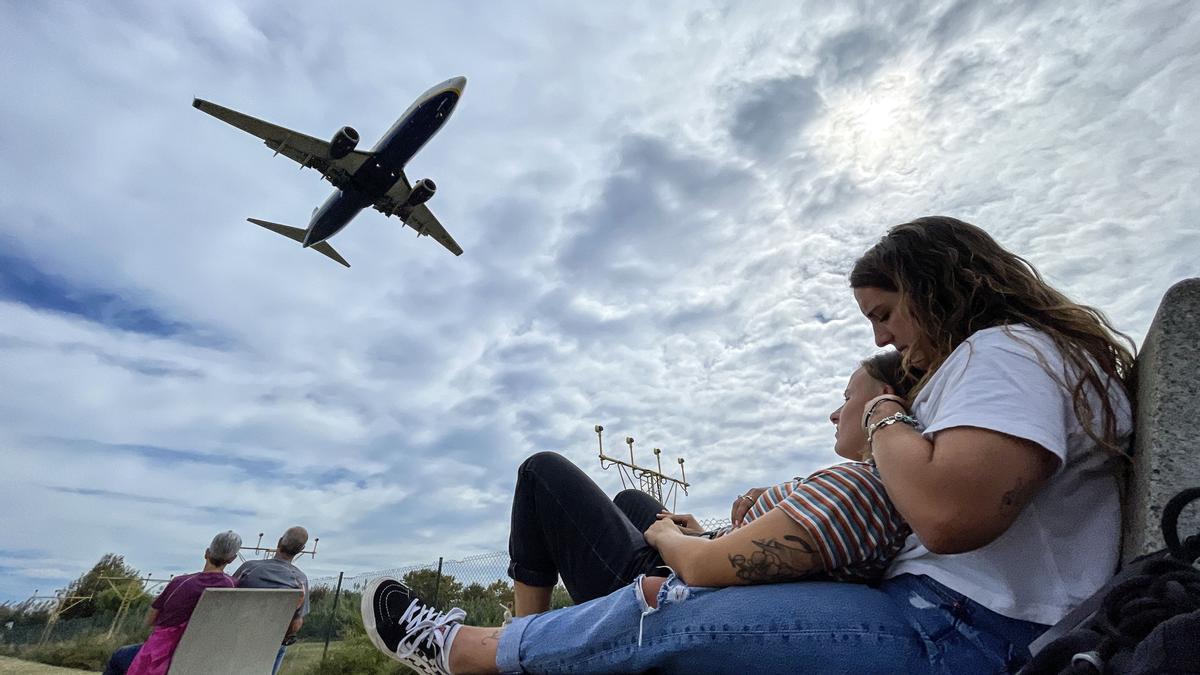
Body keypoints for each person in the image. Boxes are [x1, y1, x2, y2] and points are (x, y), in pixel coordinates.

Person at [361, 216, 1135, 673]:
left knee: (660, 607)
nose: (883, 336)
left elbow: (951, 512)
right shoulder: (1013, 359)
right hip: (946, 615)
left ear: (940, 285)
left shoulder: (1007, 351)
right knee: (668, 587)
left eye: (886, 310)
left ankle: (463, 649)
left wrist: (879, 409)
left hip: (968, 634)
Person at [104, 531, 241, 675]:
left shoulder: (179, 583)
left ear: (206, 553)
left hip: (162, 655)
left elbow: (150, 620)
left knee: (119, 657)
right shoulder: (233, 587)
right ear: (232, 559)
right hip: (204, 656)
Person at [232, 526, 310, 675]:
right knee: (281, 645)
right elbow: (295, 624)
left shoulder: (248, 569)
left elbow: (228, 599)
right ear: (301, 550)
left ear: (280, 542)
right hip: (271, 644)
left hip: (238, 638)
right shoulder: (300, 580)